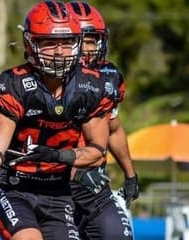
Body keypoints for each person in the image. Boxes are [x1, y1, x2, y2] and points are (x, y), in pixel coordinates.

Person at [0, 1, 113, 239]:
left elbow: (97, 150)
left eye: (66, 42)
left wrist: (56, 156)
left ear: (77, 43)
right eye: (49, 43)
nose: (59, 52)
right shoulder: (14, 85)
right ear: (30, 44)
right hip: (12, 186)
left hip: (57, 191)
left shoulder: (91, 86)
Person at [65, 1, 139, 239]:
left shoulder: (108, 77)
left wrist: (130, 175)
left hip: (93, 185)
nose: (88, 48)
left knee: (117, 235)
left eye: (92, 40)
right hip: (52, 188)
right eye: (81, 40)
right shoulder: (44, 82)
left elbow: (114, 128)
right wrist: (75, 172)